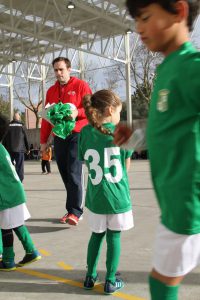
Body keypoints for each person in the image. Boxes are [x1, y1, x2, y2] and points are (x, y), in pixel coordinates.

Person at [114, 1, 200, 299]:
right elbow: (172, 127)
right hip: (176, 202)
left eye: (146, 17)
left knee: (162, 283)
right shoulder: (166, 70)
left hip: (188, 202)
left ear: (179, 11)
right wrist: (136, 136)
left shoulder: (191, 67)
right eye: (136, 19)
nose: (139, 27)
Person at [79, 90, 134, 294]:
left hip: (96, 196)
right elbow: (125, 166)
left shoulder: (85, 133)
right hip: (117, 196)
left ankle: (90, 276)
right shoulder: (123, 131)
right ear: (111, 109)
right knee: (114, 237)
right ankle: (110, 280)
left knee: (96, 236)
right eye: (119, 111)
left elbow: (85, 159)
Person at [40, 57, 92, 226]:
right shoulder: (51, 91)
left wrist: (78, 112)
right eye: (55, 70)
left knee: (74, 171)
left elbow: (92, 108)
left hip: (77, 134)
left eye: (61, 69)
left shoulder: (81, 86)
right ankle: (71, 210)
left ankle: (76, 212)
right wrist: (43, 141)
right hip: (59, 136)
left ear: (69, 69)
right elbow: (47, 118)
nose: (58, 73)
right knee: (64, 172)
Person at [0, 113, 41, 271]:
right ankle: (31, 251)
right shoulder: (2, 148)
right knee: (16, 224)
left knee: (6, 228)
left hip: (7, 195)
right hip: (15, 191)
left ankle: (8, 260)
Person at [2, 111, 29, 182]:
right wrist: (28, 149)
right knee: (19, 166)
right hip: (20, 150)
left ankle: (10, 179)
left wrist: (4, 147)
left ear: (13, 118)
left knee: (9, 166)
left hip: (9, 149)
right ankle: (19, 180)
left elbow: (4, 137)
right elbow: (25, 138)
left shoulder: (8, 125)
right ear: (19, 118)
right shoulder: (22, 126)